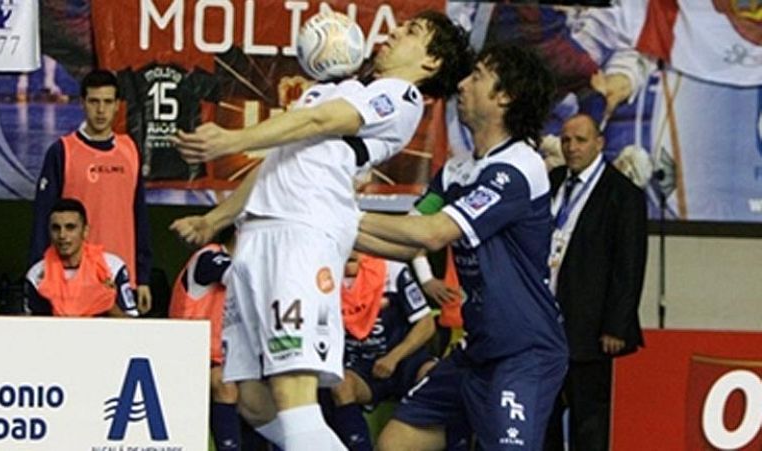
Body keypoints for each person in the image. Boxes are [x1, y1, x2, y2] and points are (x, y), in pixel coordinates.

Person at [171, 10, 472, 450]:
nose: (393, 32)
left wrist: (232, 140)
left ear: (431, 63)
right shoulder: (342, 90)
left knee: (296, 404)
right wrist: (215, 219)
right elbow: (280, 155)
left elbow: (318, 123)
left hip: (302, 238)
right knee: (249, 399)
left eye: (411, 32)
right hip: (258, 240)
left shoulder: (401, 96)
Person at [358, 44, 567, 450]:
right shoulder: (454, 171)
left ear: (505, 96)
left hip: (524, 354)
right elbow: (408, 238)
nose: (461, 84)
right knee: (396, 441)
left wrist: (341, 218)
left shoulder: (517, 169)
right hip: (476, 352)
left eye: (477, 76)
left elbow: (433, 234)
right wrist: (326, 229)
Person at [543, 113, 647, 451]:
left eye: (581, 140)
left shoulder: (623, 194)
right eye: (566, 140)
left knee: (590, 420)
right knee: (544, 417)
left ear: (600, 143)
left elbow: (629, 265)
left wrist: (616, 326)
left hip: (591, 329)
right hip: (545, 323)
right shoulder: (553, 180)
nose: (572, 148)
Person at [29, 69, 153, 314]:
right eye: (94, 101)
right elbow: (44, 218)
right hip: (72, 280)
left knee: (121, 347)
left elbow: (139, 216)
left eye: (108, 102)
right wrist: (38, 275)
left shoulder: (130, 150)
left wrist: (143, 277)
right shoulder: (63, 151)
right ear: (83, 103)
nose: (101, 110)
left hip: (119, 276)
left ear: (118, 105)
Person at [326, 252, 436, 451]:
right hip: (362, 367)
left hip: (404, 361)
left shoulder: (392, 269)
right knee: (340, 386)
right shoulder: (322, 275)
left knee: (435, 375)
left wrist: (394, 357)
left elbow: (427, 324)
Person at [168, 226, 240, 451]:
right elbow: (244, 276)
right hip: (188, 353)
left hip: (223, 356)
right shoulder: (208, 257)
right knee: (225, 384)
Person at [25, 198, 138, 317]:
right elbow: (29, 327)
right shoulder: (37, 275)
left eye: (70, 227)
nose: (62, 235)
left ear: (85, 231)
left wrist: (108, 303)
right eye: (56, 228)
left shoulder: (112, 267)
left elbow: (133, 327)